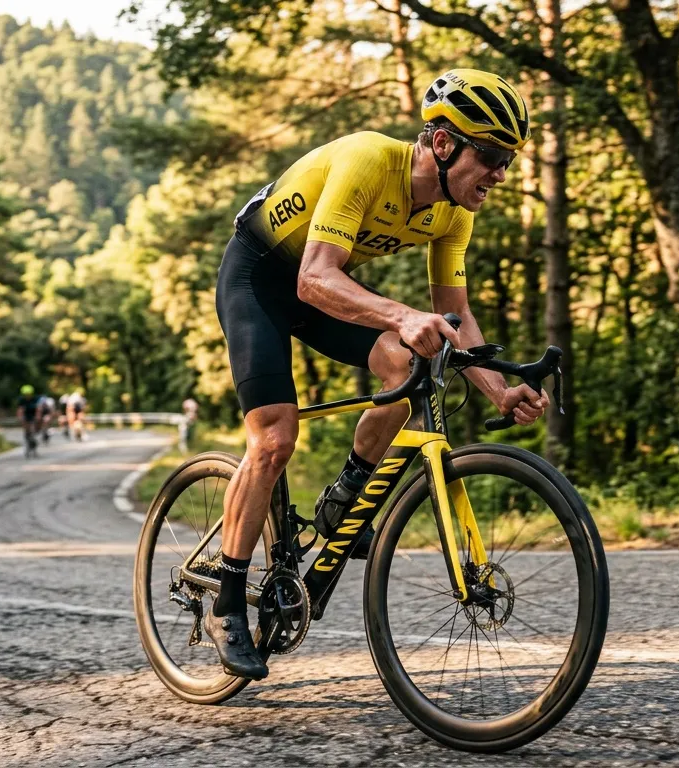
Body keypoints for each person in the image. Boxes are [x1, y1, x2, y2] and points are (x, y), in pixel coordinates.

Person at [207, 70, 550, 680]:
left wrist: (499, 388)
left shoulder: (453, 212)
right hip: (259, 276)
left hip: (314, 288)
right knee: (275, 439)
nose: (501, 173)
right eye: (492, 155)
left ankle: (345, 500)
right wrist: (402, 313)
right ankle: (228, 600)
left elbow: (457, 312)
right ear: (443, 145)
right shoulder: (369, 160)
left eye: (509, 159)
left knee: (407, 362)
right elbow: (315, 277)